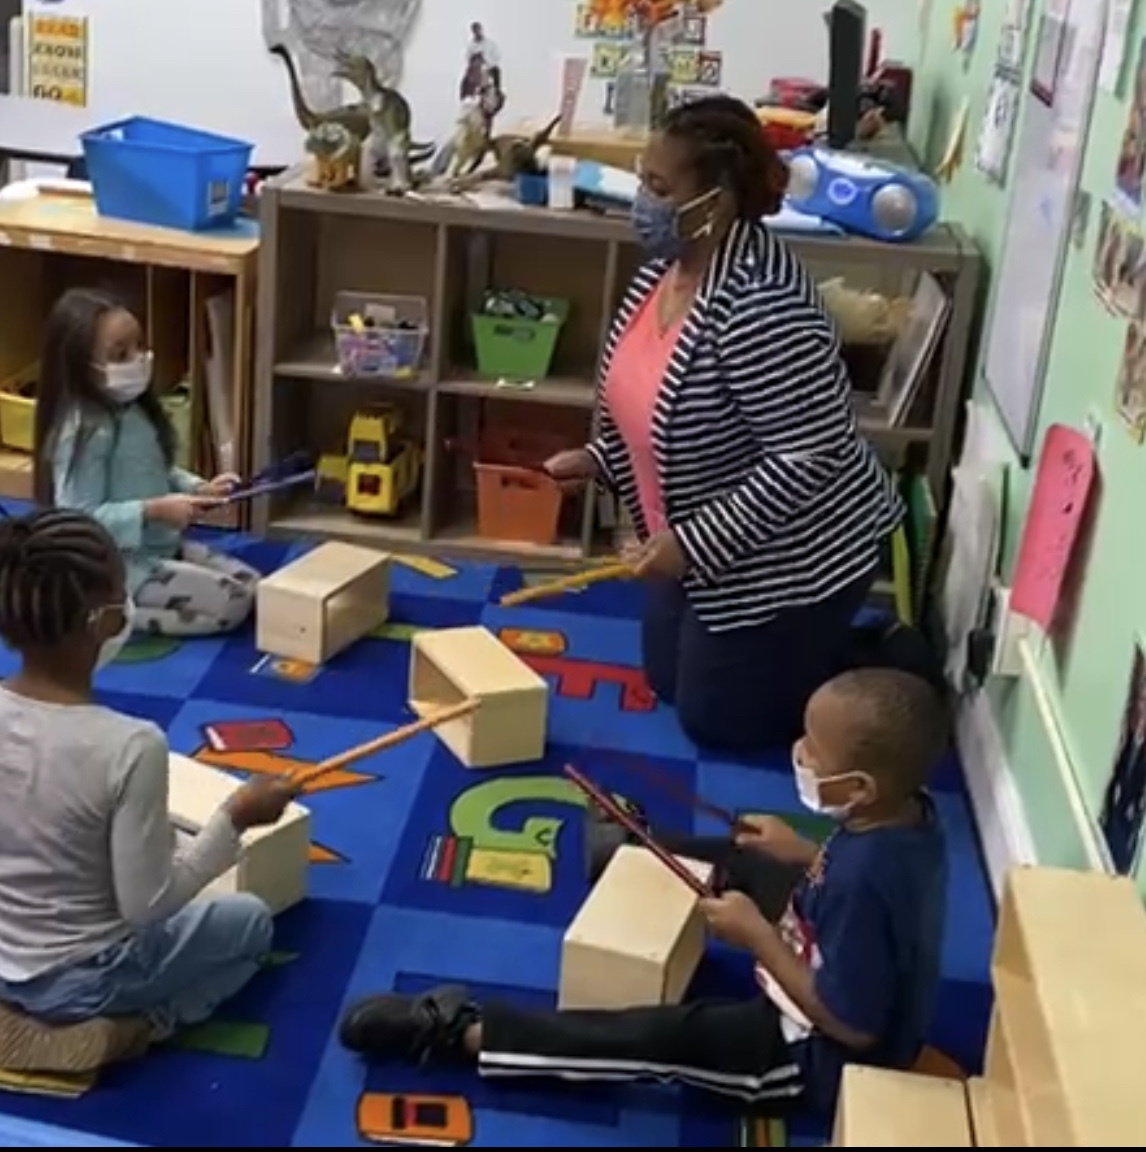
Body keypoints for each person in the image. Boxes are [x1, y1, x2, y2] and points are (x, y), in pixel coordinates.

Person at [337, 668, 949, 1117]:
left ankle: (465, 1034)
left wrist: (758, 938)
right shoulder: (906, 818)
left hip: (813, 1057)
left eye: (814, 750)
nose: (802, 754)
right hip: (832, 939)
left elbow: (855, 1027)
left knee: (657, 1036)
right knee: (753, 857)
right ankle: (637, 849)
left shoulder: (867, 882)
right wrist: (804, 854)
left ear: (861, 786)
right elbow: (854, 888)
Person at [543, 96, 903, 753]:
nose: (639, 200)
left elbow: (808, 458)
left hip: (792, 553)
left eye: (656, 186)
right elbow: (645, 393)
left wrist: (697, 543)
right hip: (702, 537)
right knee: (668, 681)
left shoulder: (762, 306)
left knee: (719, 724)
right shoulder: (665, 269)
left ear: (713, 203)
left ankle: (876, 656)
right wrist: (600, 456)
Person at [0, 508, 297, 1035]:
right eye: (120, 592)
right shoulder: (131, 745)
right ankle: (138, 1028)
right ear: (99, 620)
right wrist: (235, 817)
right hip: (79, 978)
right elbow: (148, 907)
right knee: (248, 923)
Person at [33, 287, 260, 637]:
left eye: (139, 346)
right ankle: (106, 613)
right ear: (80, 365)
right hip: (117, 566)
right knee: (232, 605)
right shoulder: (83, 431)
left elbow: (155, 470)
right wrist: (152, 511)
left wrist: (199, 487)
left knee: (255, 586)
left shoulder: (134, 409)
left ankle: (121, 602)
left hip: (159, 547)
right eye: (120, 354)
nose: (139, 359)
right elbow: (79, 518)